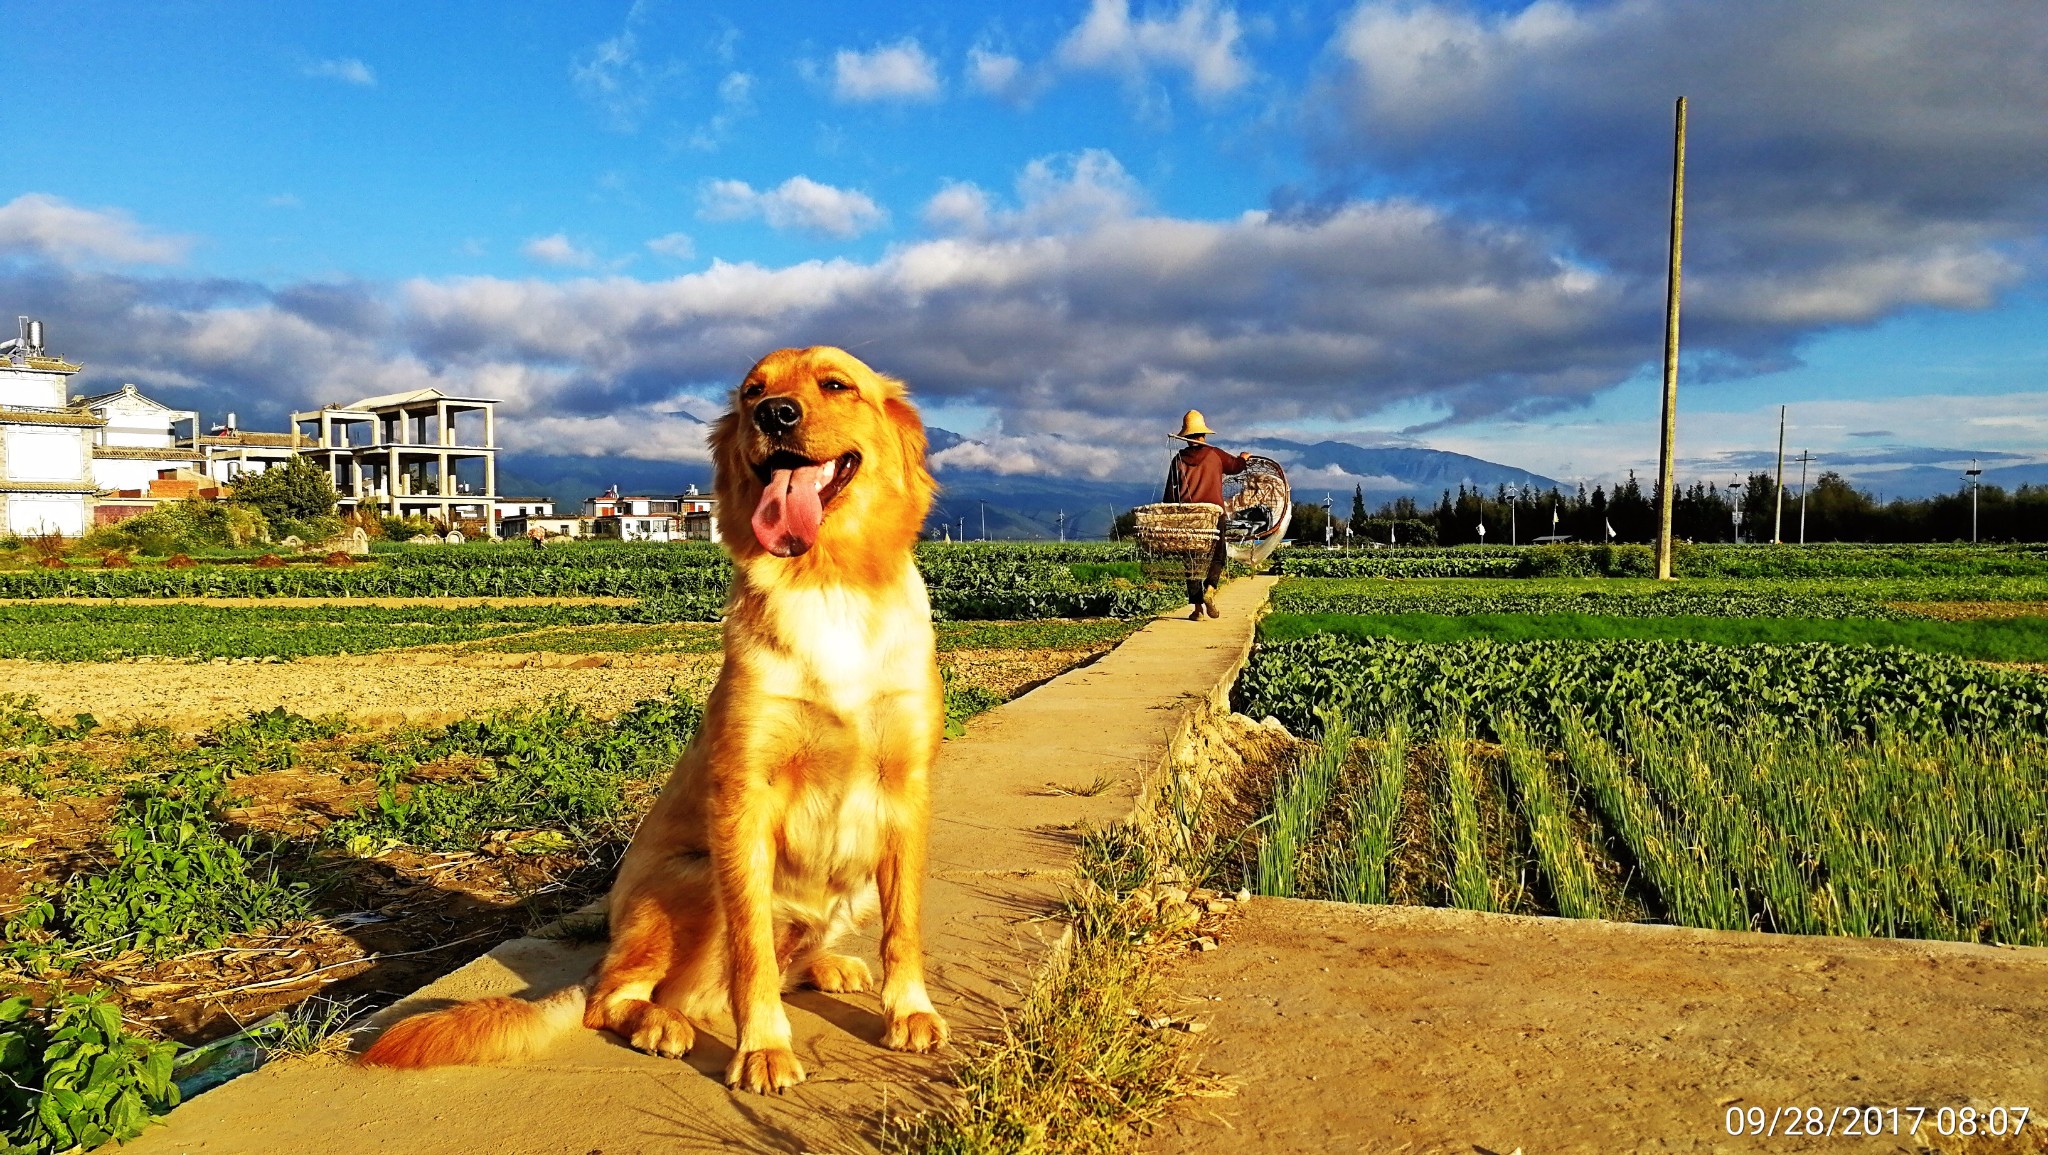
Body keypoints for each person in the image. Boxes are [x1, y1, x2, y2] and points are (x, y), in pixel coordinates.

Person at [1162, 409, 1246, 620]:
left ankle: (1198, 610)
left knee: (1191, 562)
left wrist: (1170, 518)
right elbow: (1235, 466)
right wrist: (1244, 459)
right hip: (1213, 515)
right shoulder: (1215, 455)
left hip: (1188, 518)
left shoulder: (1179, 459)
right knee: (1217, 555)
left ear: (1185, 436)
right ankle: (1210, 589)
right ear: (1203, 434)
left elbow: (1170, 495)